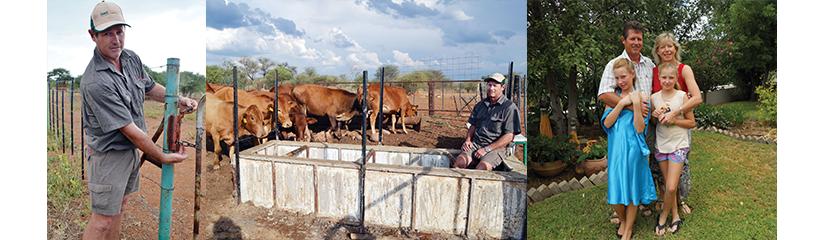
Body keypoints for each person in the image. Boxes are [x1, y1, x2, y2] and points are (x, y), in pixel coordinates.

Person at [80, 1, 198, 239]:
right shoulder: (95, 82)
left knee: (120, 207)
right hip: (108, 156)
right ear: (93, 36)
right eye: (107, 34)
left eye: (119, 32)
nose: (116, 40)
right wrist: (161, 156)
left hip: (129, 152)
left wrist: (178, 99)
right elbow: (130, 130)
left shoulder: (131, 58)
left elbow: (150, 87)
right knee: (102, 220)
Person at [599, 20, 657, 223]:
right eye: (632, 38)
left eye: (639, 39)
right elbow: (604, 94)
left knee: (642, 165)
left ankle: (642, 201)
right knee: (621, 169)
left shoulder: (649, 64)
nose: (636, 42)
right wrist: (631, 105)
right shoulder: (614, 64)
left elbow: (656, 92)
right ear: (623, 40)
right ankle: (622, 210)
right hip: (623, 126)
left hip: (646, 122)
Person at [650, 32, 702, 216]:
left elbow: (697, 97)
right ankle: (666, 201)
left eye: (670, 45)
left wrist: (676, 113)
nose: (666, 50)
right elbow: (651, 100)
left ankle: (681, 201)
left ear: (676, 48)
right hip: (661, 131)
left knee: (681, 166)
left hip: (681, 124)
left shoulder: (684, 69)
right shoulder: (654, 72)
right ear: (657, 50)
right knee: (661, 168)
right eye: (662, 46)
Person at [650, 62, 696, 236]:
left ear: (676, 78)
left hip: (678, 145)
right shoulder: (654, 98)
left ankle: (663, 215)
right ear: (659, 78)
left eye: (671, 78)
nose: (667, 81)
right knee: (671, 184)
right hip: (661, 146)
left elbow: (692, 122)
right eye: (664, 77)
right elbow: (655, 123)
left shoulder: (683, 96)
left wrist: (674, 119)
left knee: (670, 187)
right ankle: (675, 215)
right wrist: (655, 117)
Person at [453, 73, 521, 170]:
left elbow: (509, 136)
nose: (491, 88)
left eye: (495, 85)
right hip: (476, 144)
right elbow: (473, 125)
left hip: (496, 148)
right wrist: (468, 140)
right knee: (459, 163)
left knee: (481, 169)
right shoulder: (481, 105)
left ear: (503, 87)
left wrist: (486, 149)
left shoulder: (509, 108)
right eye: (489, 85)